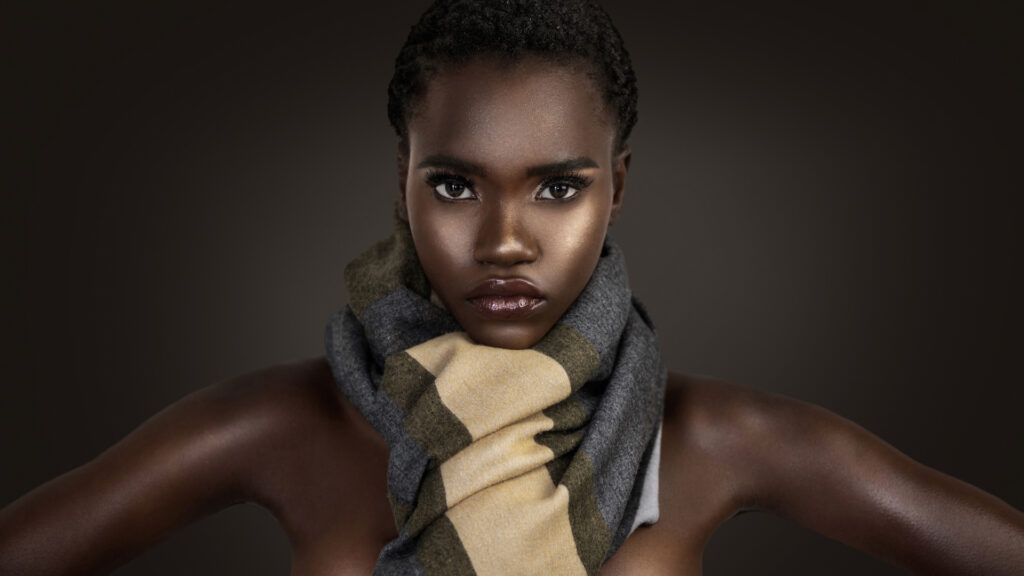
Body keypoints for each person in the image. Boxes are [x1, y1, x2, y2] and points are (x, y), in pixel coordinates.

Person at [2, 1, 1022, 574]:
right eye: (453, 184)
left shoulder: (716, 441)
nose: (502, 240)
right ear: (399, 187)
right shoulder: (279, 427)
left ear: (615, 190)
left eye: (557, 187)